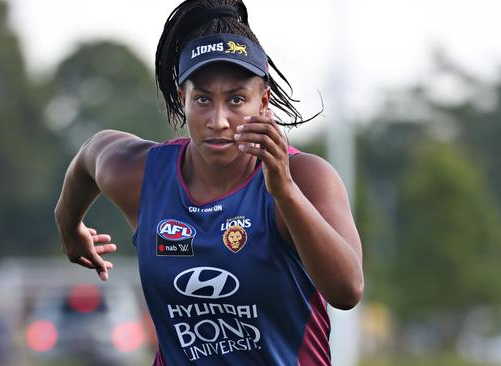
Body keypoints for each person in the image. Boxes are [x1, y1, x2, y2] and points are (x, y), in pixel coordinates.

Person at [54, 0, 363, 364]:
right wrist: (69, 226)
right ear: (182, 98)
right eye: (203, 99)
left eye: (235, 100)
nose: (218, 120)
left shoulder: (305, 178)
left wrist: (285, 192)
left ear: (262, 102)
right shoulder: (143, 176)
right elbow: (91, 154)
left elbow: (347, 291)